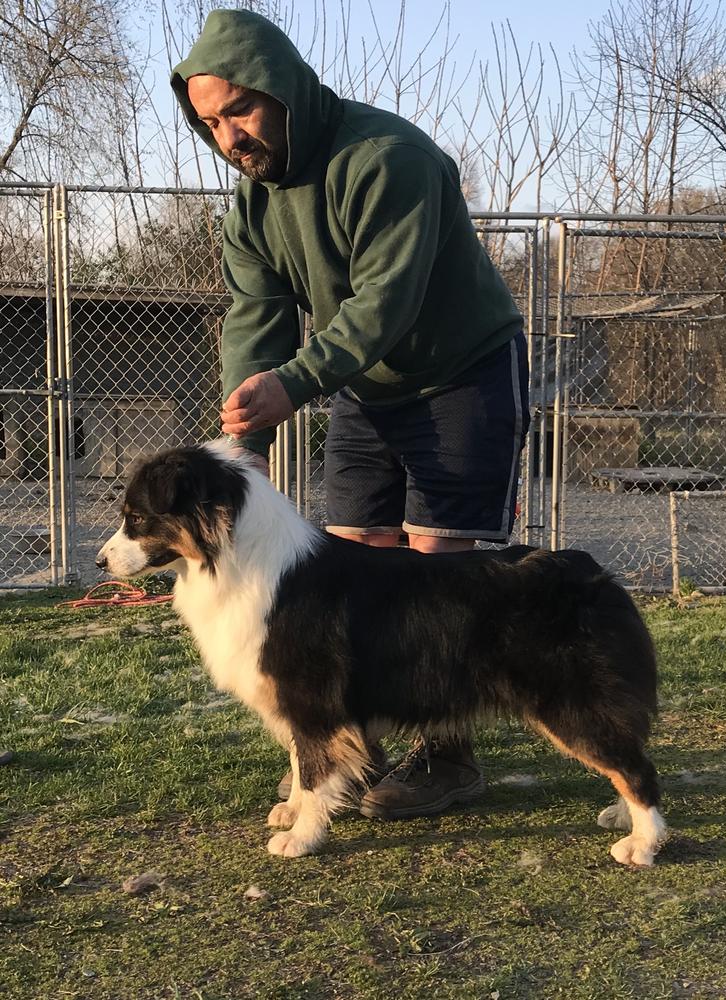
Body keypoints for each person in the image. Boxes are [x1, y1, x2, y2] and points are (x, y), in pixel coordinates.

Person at [171, 9, 530, 820]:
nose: (228, 135)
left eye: (240, 110)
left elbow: (384, 306)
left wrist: (297, 383)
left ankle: (449, 757)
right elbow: (253, 318)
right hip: (367, 387)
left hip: (461, 371)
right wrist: (242, 449)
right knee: (353, 563)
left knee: (441, 571)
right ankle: (347, 752)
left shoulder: (386, 158)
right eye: (210, 122)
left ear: (284, 88)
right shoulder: (253, 205)